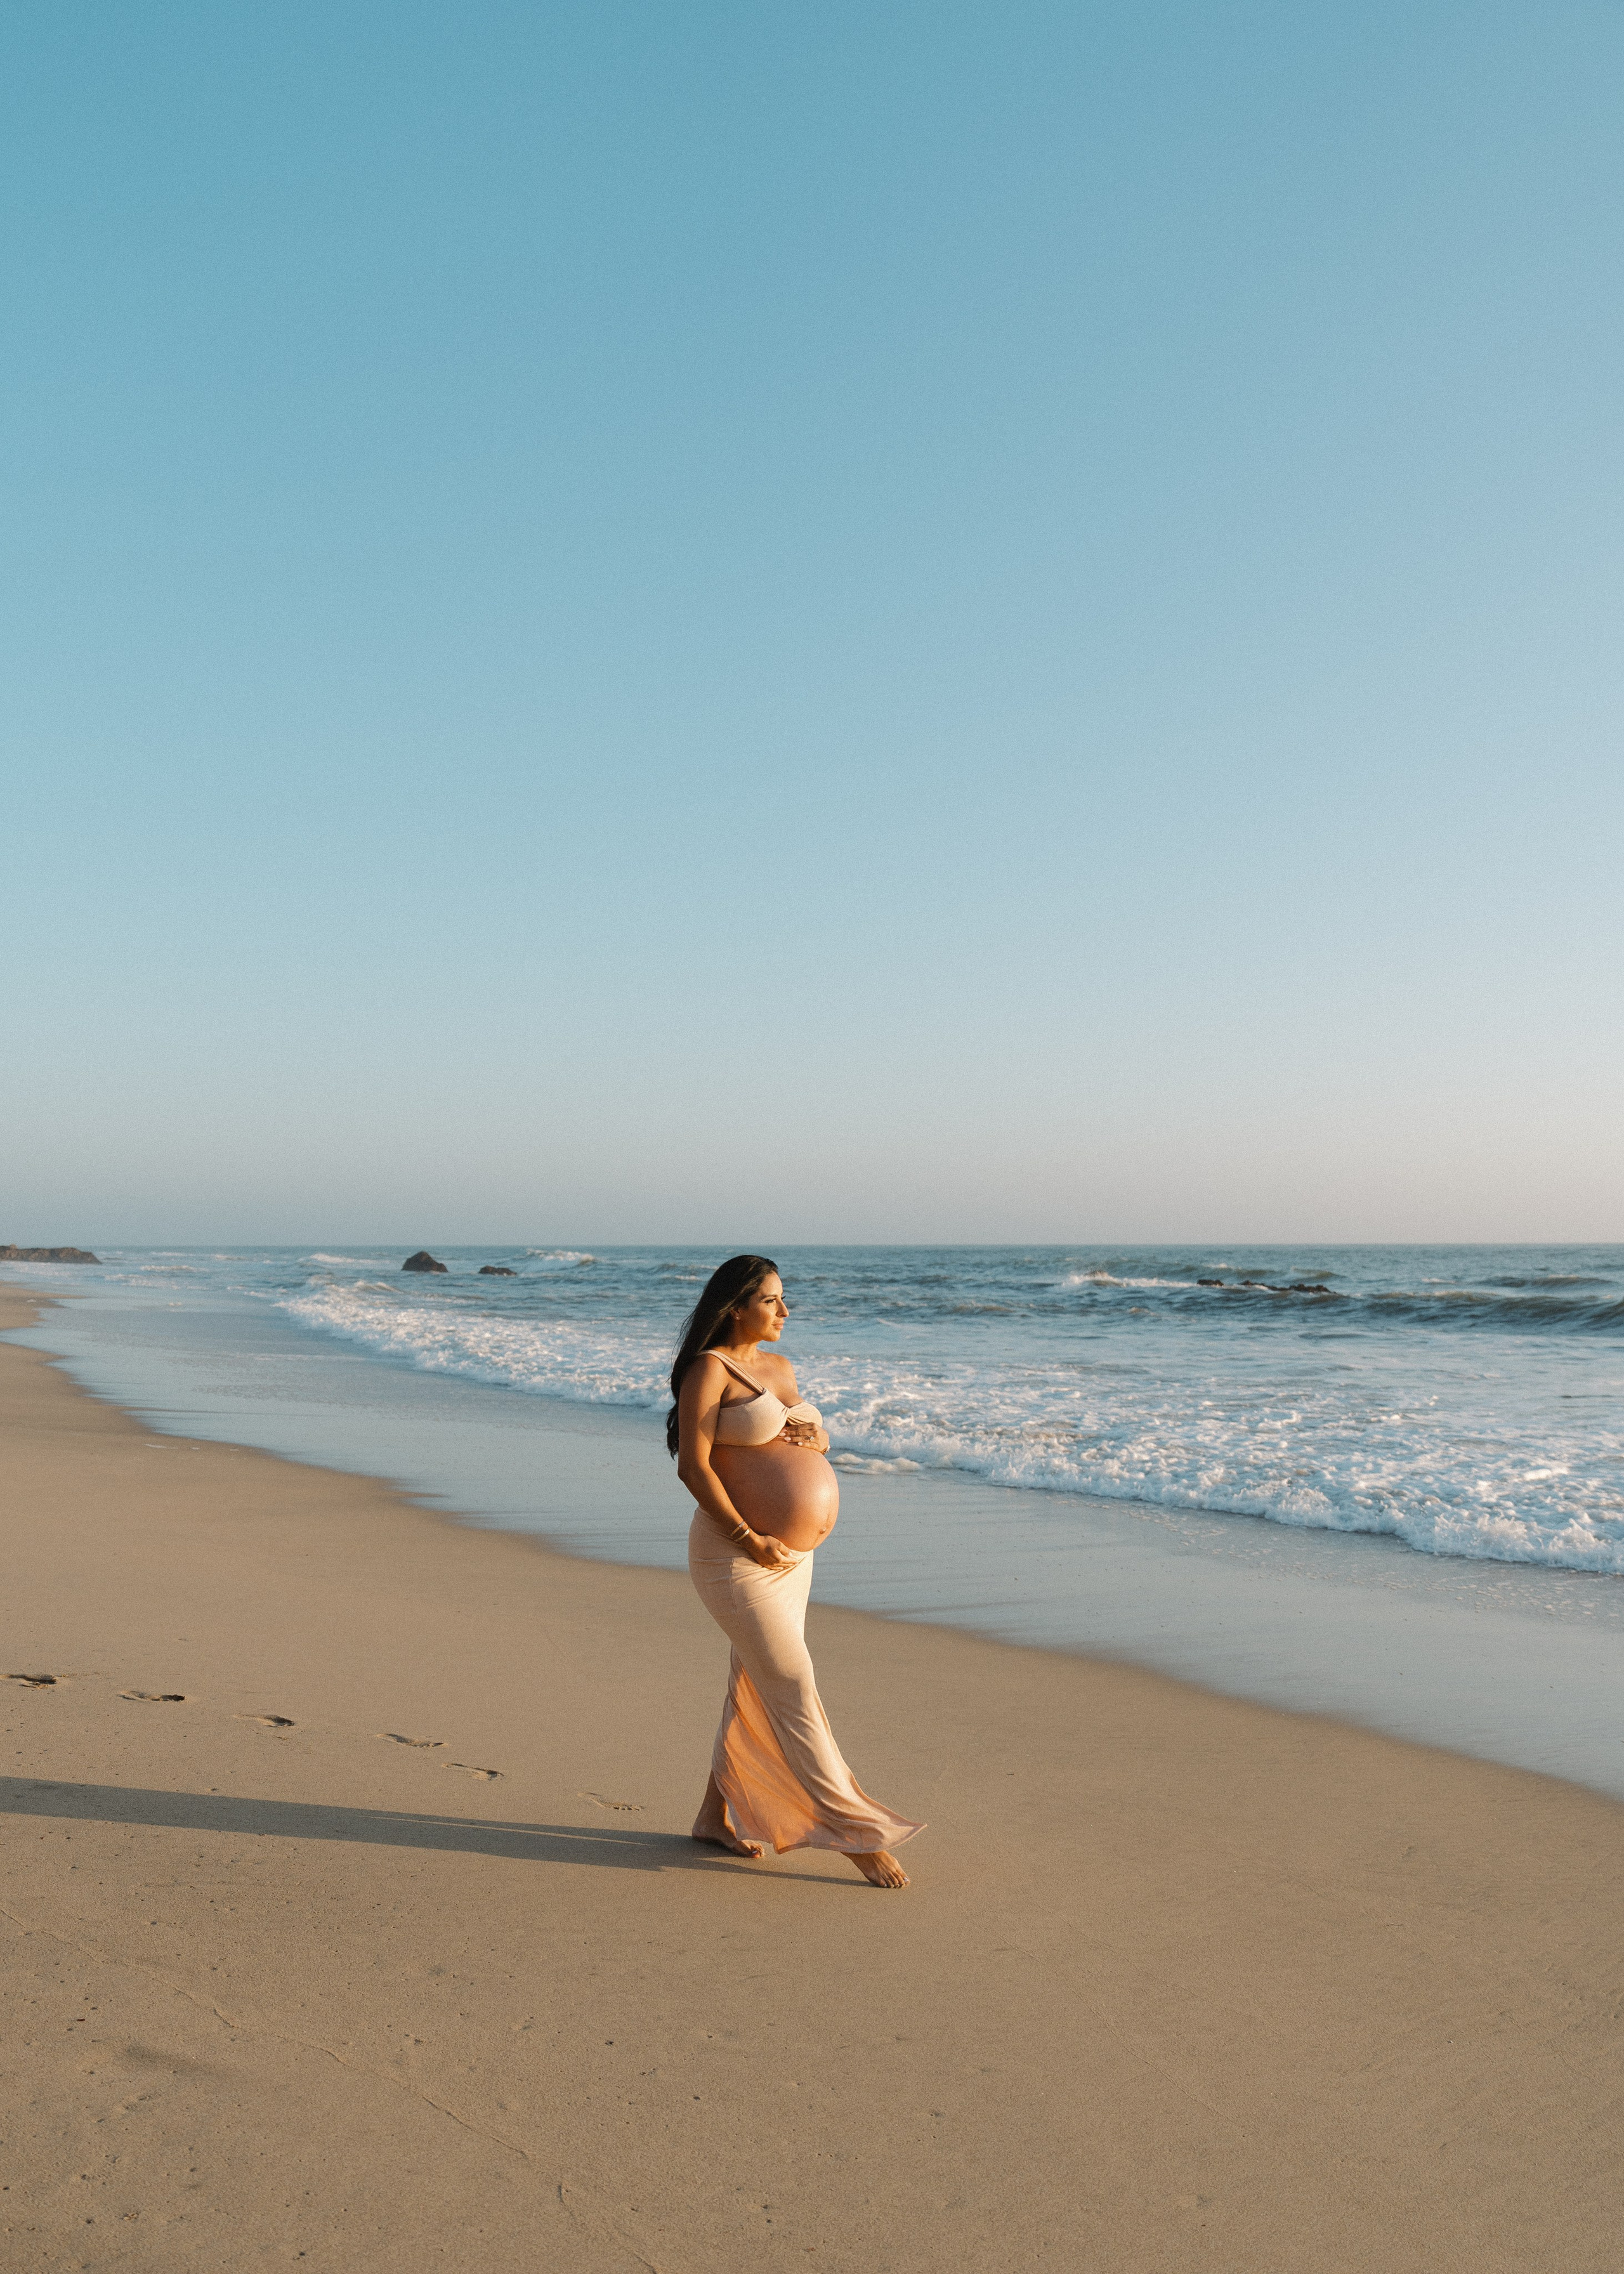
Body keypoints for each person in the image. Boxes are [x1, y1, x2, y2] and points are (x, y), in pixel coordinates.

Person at [671, 1253, 923, 1889]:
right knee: (792, 1679)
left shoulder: (780, 1368)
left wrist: (815, 1442)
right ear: (736, 1306)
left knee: (755, 1682)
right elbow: (694, 1467)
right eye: (773, 1300)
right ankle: (853, 1830)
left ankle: (713, 1817)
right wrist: (748, 1538)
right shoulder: (710, 1369)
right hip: (735, 1556)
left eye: (784, 1299)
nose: (786, 1311)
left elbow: (809, 1436)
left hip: (791, 1560)